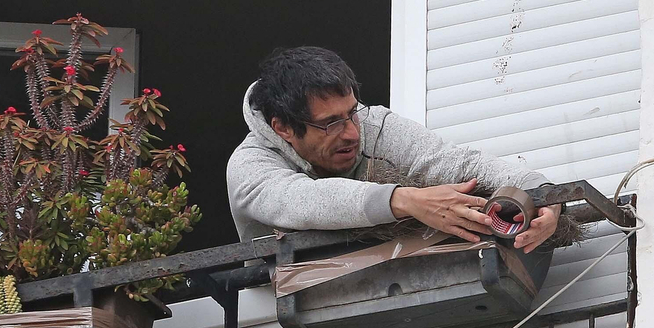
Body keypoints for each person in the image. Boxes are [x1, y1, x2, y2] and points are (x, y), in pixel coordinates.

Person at [227, 46, 572, 252]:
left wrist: (543, 195)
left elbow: (456, 163)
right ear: (283, 128)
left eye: (352, 113)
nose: (352, 133)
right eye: (331, 123)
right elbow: (304, 202)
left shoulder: (374, 125)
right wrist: (407, 201)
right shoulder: (250, 166)